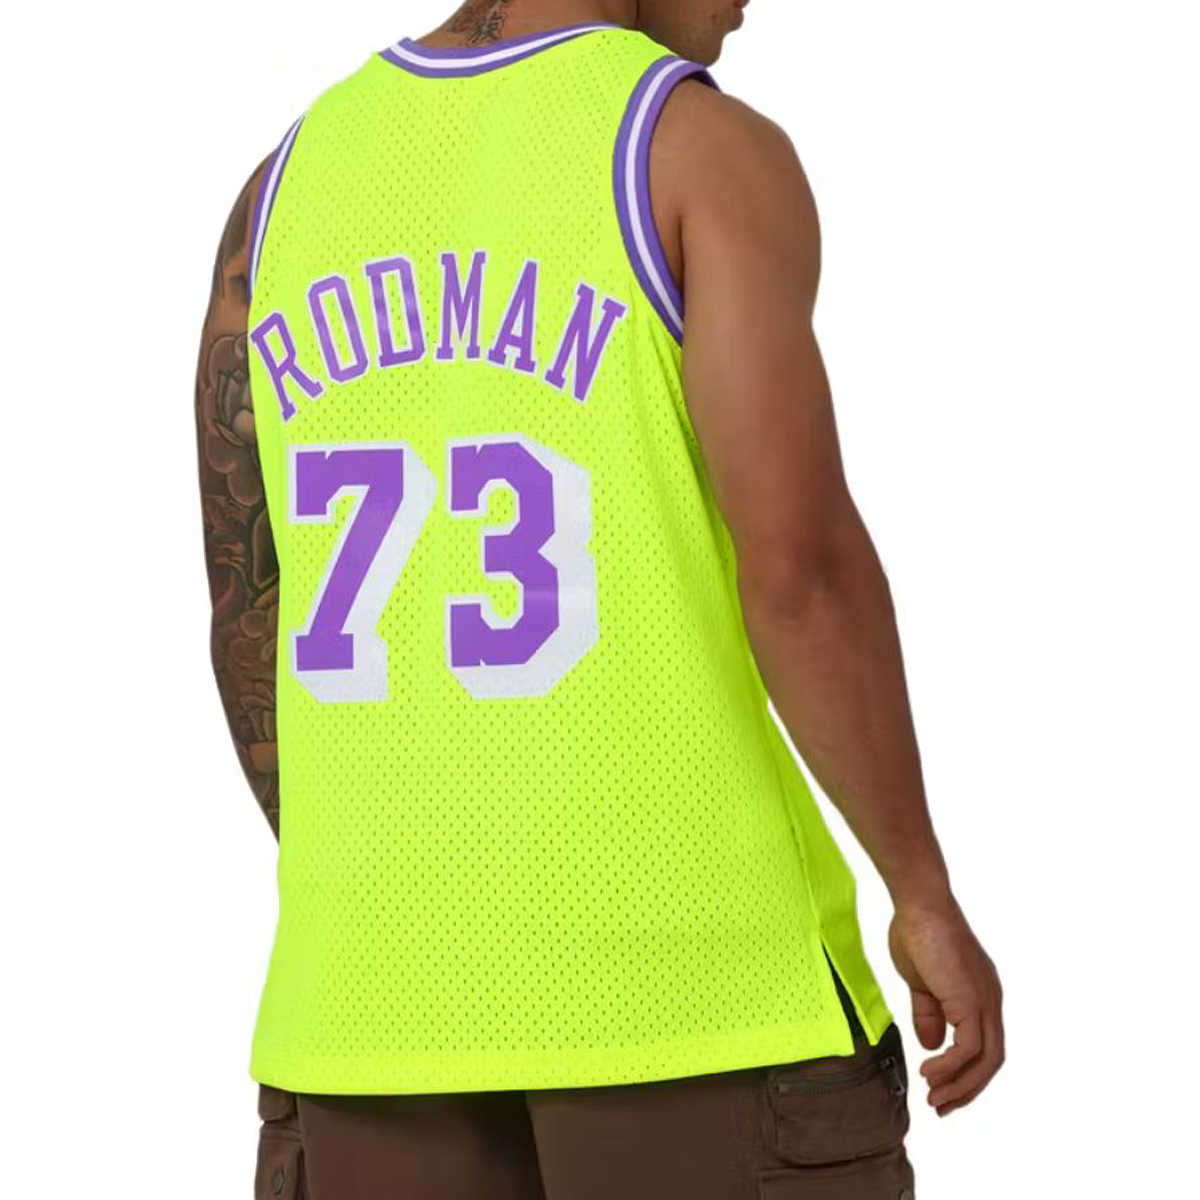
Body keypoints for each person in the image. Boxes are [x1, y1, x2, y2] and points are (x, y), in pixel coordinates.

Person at [193, 2, 1005, 1196]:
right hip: (700, 1000)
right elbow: (803, 572)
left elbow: (246, 597)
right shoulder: (694, 151)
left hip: (365, 1012)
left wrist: (401, 890)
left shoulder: (281, 186)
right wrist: (920, 888)